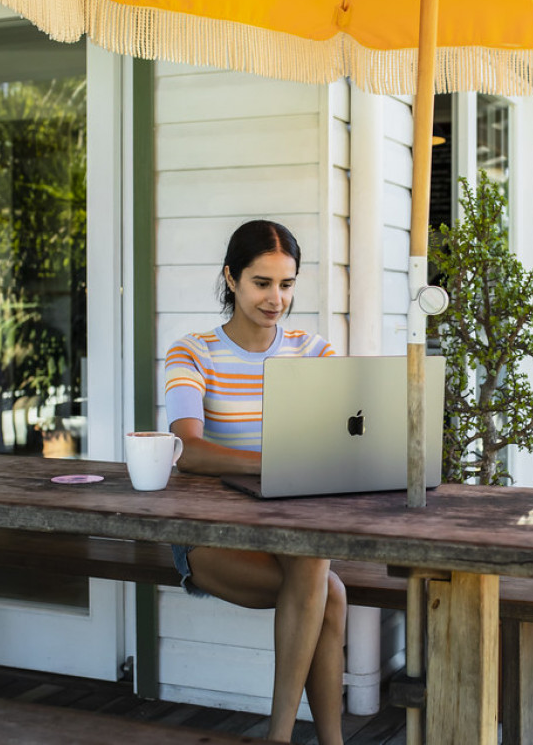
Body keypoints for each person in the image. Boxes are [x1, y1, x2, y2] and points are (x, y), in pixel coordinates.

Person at [163, 220, 345, 744]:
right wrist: (274, 462)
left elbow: (338, 444)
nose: (275, 298)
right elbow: (187, 450)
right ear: (231, 278)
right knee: (326, 590)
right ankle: (288, 737)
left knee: (315, 565)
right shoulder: (192, 352)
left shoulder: (314, 352)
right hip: (210, 532)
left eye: (286, 284)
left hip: (291, 527)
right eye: (261, 283)